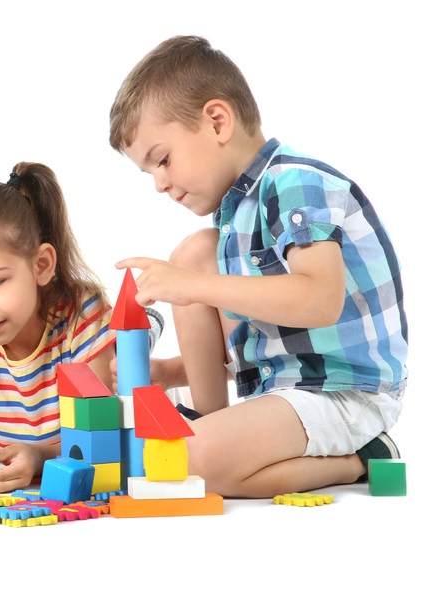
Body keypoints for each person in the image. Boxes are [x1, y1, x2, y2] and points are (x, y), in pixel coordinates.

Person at [107, 35, 407, 498]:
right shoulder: (232, 218)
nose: (160, 184)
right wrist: (168, 372)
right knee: (194, 253)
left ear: (217, 121)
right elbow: (270, 347)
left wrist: (194, 287)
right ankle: (211, 421)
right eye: (150, 173)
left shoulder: (294, 184)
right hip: (289, 388)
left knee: (193, 466)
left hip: (345, 393)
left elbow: (319, 302)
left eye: (162, 160)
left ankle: (361, 458)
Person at [0, 161, 164, 493]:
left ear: (41, 265)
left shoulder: (81, 317)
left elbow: (103, 435)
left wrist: (40, 458)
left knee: (129, 367)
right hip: (25, 496)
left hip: (109, 465)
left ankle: (147, 333)